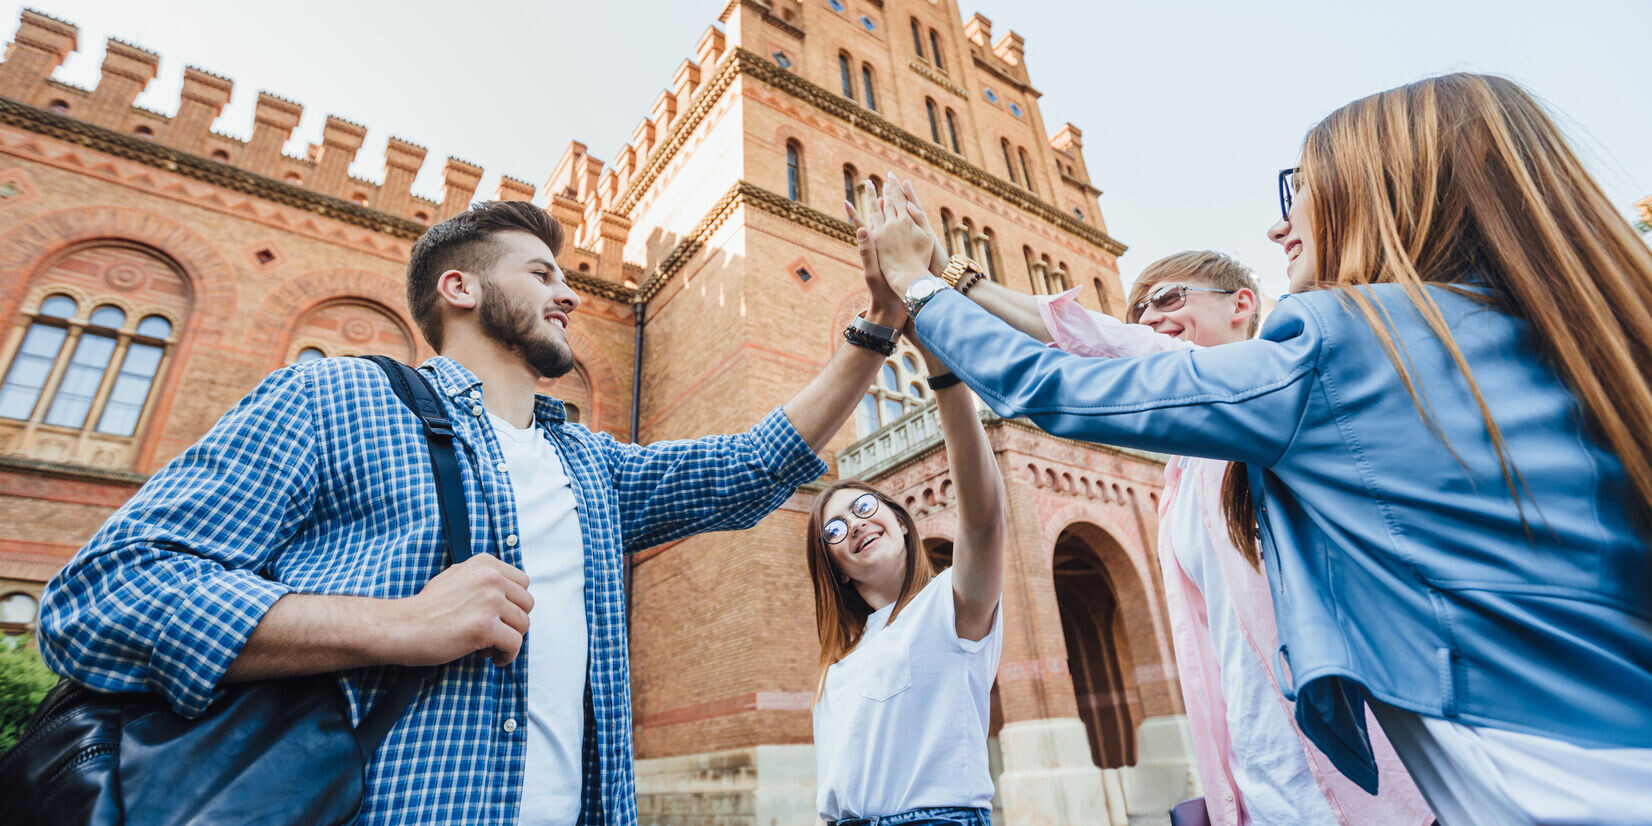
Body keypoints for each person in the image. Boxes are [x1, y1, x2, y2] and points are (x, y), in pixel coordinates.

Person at [869, 72, 1652, 826]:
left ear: (1383, 190)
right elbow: (1120, 345)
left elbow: (1058, 388)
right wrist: (962, 278)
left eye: (1298, 189)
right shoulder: (1564, 340)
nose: (1280, 225)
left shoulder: (1342, 341)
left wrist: (921, 286)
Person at [37, 200, 911, 826]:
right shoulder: (335, 397)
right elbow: (102, 596)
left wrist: (878, 323)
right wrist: (398, 626)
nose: (567, 294)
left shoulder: (591, 467)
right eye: (542, 275)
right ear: (459, 287)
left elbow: (751, 466)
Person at [926, 243, 1428, 824]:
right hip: (1263, 788)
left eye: (1167, 299)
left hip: (1361, 783)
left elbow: (1123, 350)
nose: (1148, 319)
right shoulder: (1183, 472)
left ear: (1242, 304)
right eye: (1138, 308)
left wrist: (950, 282)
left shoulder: (1290, 389)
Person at [804, 190, 1006, 826]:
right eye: (834, 529)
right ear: (834, 567)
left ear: (899, 518)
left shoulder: (951, 608)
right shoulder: (841, 660)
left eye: (864, 506)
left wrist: (941, 368)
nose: (854, 524)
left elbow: (981, 518)